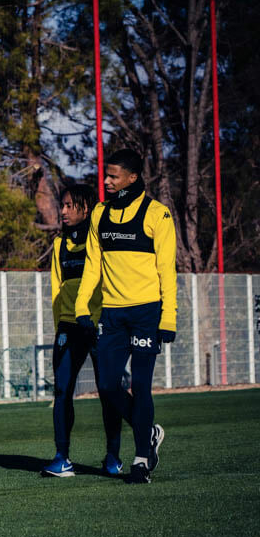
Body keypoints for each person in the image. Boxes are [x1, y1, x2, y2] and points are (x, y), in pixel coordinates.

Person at [74, 148, 175, 484]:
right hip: (112, 314)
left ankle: (141, 460)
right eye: (106, 174)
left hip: (147, 312)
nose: (106, 181)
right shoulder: (100, 214)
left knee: (141, 387)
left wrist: (168, 318)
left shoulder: (157, 214)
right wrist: (82, 307)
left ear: (132, 178)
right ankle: (150, 432)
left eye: (113, 176)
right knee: (106, 386)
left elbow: (167, 270)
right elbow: (92, 265)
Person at [42, 183, 124, 478]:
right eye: (61, 205)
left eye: (69, 205)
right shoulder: (59, 245)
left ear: (86, 208)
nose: (63, 211)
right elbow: (57, 288)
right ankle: (62, 458)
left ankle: (113, 457)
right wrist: (59, 328)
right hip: (68, 327)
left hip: (99, 325)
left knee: (108, 391)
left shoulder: (101, 240)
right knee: (62, 390)